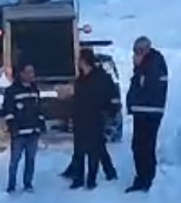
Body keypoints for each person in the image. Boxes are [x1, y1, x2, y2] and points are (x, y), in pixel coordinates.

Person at [62, 49, 119, 184]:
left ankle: (92, 179)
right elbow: (78, 99)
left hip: (96, 118)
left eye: (79, 60)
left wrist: (108, 113)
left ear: (84, 61)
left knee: (95, 149)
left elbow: (110, 98)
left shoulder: (102, 78)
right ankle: (79, 178)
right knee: (80, 150)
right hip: (80, 119)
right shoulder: (81, 80)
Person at [125, 35, 168, 192]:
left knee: (145, 147)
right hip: (142, 111)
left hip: (149, 113)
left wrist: (139, 70)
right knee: (139, 146)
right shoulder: (147, 65)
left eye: (138, 51)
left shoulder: (153, 64)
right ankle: (142, 178)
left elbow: (146, 87)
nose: (135, 55)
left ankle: (147, 179)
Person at [0, 63, 43, 193]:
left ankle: (28, 184)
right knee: (14, 160)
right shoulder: (12, 91)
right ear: (21, 74)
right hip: (19, 133)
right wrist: (12, 126)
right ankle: (11, 185)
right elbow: (8, 110)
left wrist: (40, 124)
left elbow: (39, 109)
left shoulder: (34, 89)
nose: (31, 75)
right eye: (28, 72)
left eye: (32, 72)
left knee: (30, 159)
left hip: (33, 132)